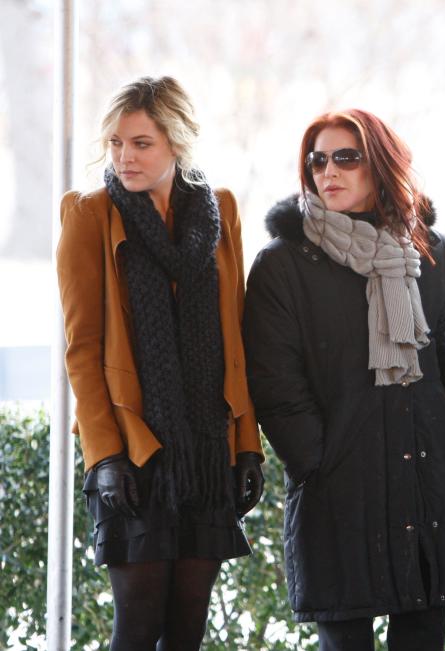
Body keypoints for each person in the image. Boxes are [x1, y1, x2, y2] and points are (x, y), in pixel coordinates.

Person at [243, 108, 445, 651]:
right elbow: (273, 380)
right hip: (338, 486)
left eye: (346, 158)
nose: (329, 170)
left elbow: (436, 334)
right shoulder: (284, 263)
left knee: (423, 636)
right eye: (318, 159)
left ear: (381, 164)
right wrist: (317, 461)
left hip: (422, 473)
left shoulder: (426, 250)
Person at [56, 76, 264, 650]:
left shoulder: (218, 210)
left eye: (141, 143)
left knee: (188, 629)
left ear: (176, 143)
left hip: (205, 451)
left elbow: (234, 340)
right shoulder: (89, 215)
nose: (124, 156)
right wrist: (104, 457)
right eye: (117, 142)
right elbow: (82, 349)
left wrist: (247, 443)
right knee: (138, 625)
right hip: (133, 453)